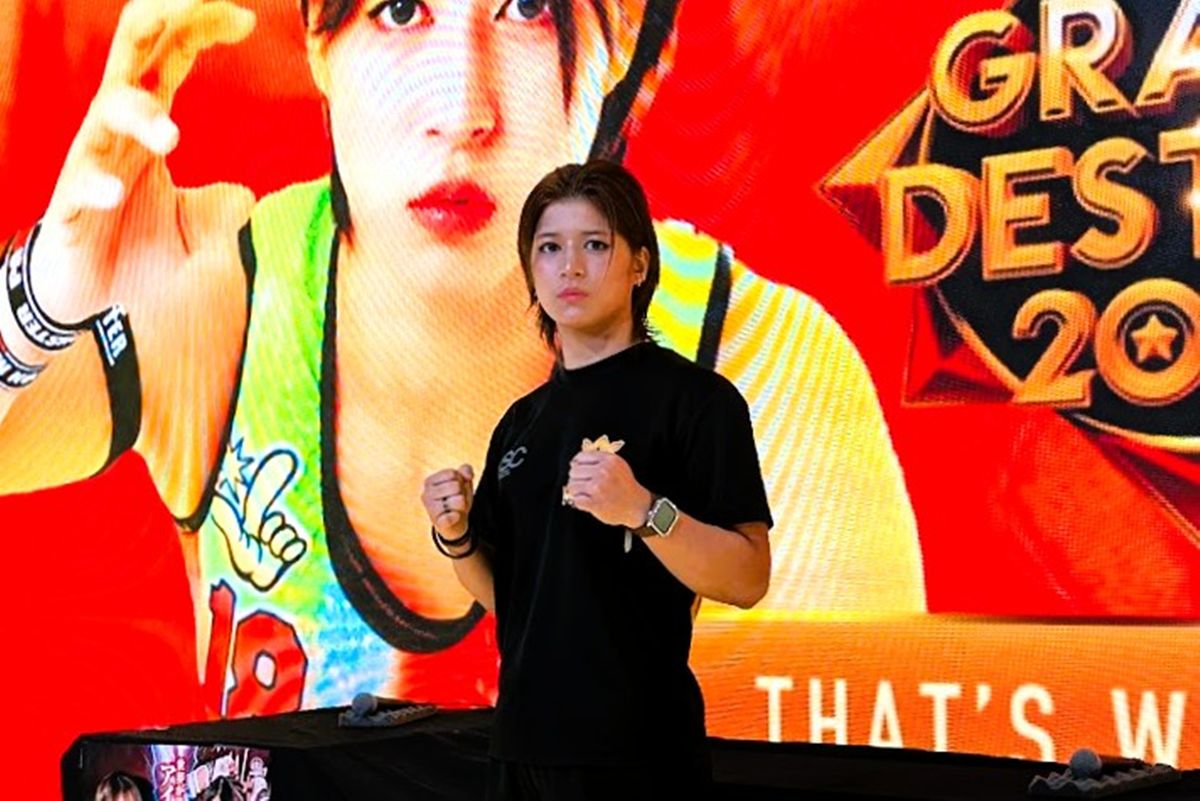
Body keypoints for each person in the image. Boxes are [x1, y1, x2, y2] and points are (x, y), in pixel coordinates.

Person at [0, 0, 922, 716]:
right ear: (319, 40)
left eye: (526, 8)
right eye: (401, 9)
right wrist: (41, 292)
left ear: (618, 43)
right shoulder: (225, 297)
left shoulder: (758, 370)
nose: (461, 110)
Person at [423, 159, 772, 799]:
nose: (571, 268)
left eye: (594, 245)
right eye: (550, 248)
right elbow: (512, 600)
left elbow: (748, 577)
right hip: (521, 746)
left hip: (638, 753)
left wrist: (644, 510)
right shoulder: (522, 421)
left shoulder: (698, 402)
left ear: (640, 264)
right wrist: (456, 536)